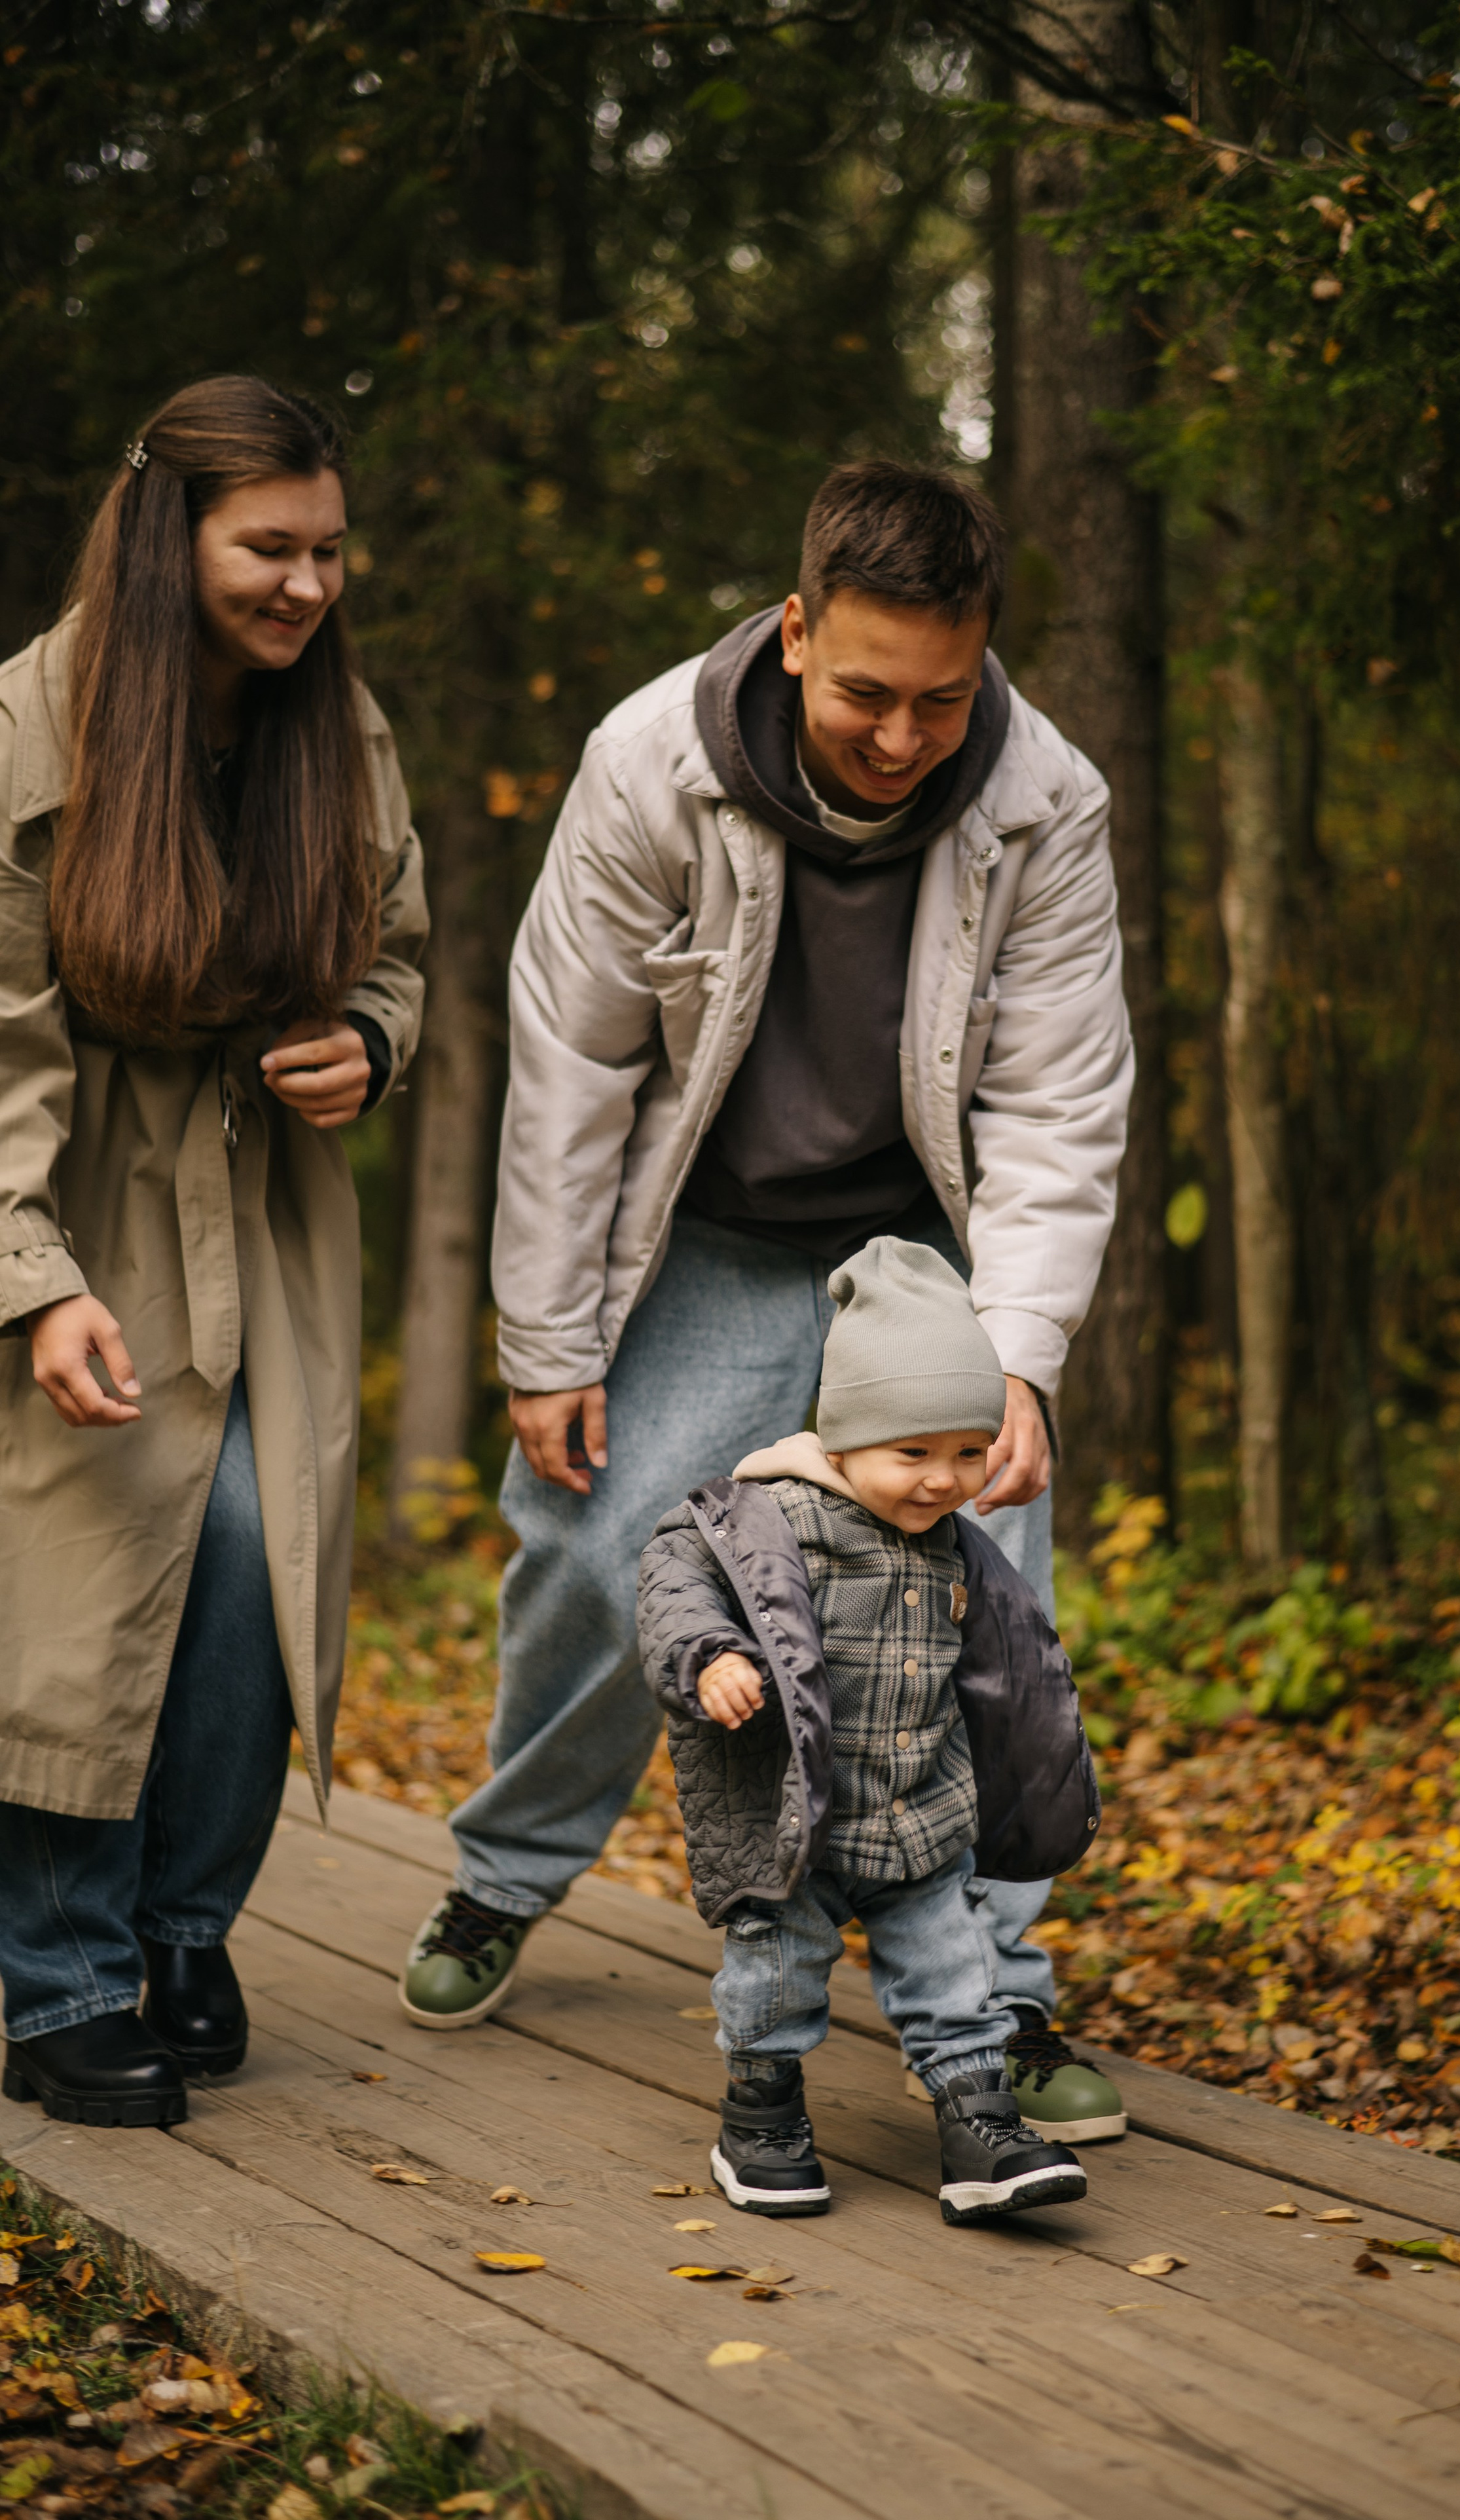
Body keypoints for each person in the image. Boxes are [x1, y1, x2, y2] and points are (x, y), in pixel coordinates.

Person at [399, 460, 1127, 2142]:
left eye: (938, 701)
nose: (896, 737)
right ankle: (507, 1874)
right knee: (594, 1551)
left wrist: (1014, 1359)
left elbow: (1057, 1098)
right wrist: (551, 1341)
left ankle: (997, 1994)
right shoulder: (648, 764)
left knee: (985, 1586)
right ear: (795, 632)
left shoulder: (1044, 797)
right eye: (865, 691)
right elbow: (570, 1066)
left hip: (920, 1252)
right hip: (707, 1235)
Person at [0, 376, 428, 2130]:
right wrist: (31, 1281)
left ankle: (183, 1932)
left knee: (256, 1547)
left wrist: (373, 1041)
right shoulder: (35, 721)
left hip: (260, 1200)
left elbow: (396, 944)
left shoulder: (342, 723)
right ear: (171, 537)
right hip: (72, 1195)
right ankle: (62, 1974)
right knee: (90, 1570)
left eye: (330, 549)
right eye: (271, 548)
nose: (308, 586)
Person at [637, 1238, 1101, 2223]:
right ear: (844, 1441)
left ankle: (979, 2125)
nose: (942, 1480)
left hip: (919, 1817)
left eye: (968, 1453)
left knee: (955, 1975)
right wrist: (710, 1657)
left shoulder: (955, 1543)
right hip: (795, 1819)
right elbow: (671, 1580)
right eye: (914, 1454)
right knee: (777, 1976)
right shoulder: (764, 1519)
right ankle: (761, 2119)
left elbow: (1010, 1665)